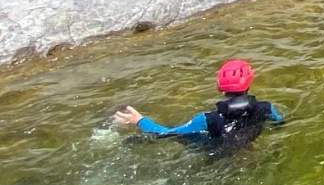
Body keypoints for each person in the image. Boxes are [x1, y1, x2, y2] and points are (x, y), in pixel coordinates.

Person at [114, 59, 284, 151]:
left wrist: (139, 120)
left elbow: (166, 134)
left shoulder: (207, 119)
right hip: (246, 146)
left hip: (216, 154)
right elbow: (279, 123)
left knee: (175, 137)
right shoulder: (266, 108)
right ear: (249, 82)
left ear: (220, 88)